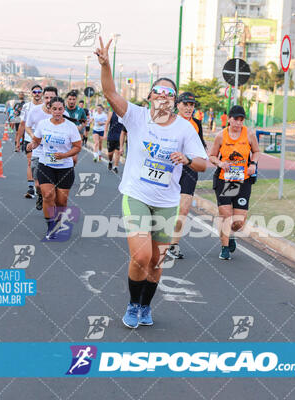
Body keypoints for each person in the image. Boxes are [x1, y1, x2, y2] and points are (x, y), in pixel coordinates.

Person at [95, 36, 208, 329]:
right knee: (142, 255)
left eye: (169, 94)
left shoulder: (185, 128)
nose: (163, 97)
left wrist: (185, 159)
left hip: (167, 202)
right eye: (158, 92)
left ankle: (145, 307)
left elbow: (203, 163)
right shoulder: (137, 117)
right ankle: (133, 304)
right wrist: (106, 65)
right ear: (150, 97)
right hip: (136, 195)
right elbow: (109, 92)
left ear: (174, 100)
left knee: (157, 262)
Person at [208, 105, 260, 260]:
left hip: (243, 181)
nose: (238, 123)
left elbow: (256, 151)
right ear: (229, 119)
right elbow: (212, 156)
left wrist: (253, 164)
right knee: (225, 215)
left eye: (241, 120)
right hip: (225, 180)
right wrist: (220, 163)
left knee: (238, 222)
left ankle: (230, 235)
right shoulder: (221, 136)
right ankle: (224, 247)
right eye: (235, 119)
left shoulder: (249, 134)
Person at [27, 97, 82, 239]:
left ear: (63, 110)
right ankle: (50, 226)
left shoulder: (70, 127)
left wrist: (64, 155)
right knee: (48, 195)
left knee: (61, 201)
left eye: (60, 109)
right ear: (50, 109)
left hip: (65, 168)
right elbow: (37, 141)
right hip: (46, 165)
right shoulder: (43, 124)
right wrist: (31, 145)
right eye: (54, 109)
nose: (57, 112)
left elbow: (77, 147)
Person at [167, 92, 207, 259]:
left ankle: (174, 245)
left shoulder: (196, 124)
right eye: (186, 104)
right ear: (178, 105)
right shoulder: (169, 121)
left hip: (188, 167)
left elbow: (200, 145)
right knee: (164, 205)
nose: (189, 108)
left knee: (183, 208)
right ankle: (155, 236)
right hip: (169, 167)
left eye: (192, 105)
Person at [26, 86, 58, 210]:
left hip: (54, 153)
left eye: (52, 97)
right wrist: (33, 136)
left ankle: (51, 203)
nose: (49, 100)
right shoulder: (35, 111)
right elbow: (28, 126)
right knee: (38, 185)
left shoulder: (62, 112)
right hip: (38, 151)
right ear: (43, 98)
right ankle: (40, 195)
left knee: (52, 184)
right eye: (47, 97)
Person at [15, 85, 43, 199]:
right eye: (35, 92)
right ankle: (31, 188)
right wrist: (18, 140)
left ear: (42, 93)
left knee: (42, 165)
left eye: (39, 92)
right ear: (31, 93)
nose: (37, 93)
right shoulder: (26, 106)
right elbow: (22, 124)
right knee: (31, 163)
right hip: (29, 139)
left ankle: (41, 186)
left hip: (43, 141)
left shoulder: (46, 107)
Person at [105, 108, 127, 174]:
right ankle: (110, 161)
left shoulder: (124, 115)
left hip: (120, 136)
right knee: (110, 153)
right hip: (111, 136)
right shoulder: (111, 113)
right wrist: (105, 133)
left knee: (117, 152)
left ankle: (115, 167)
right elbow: (107, 124)